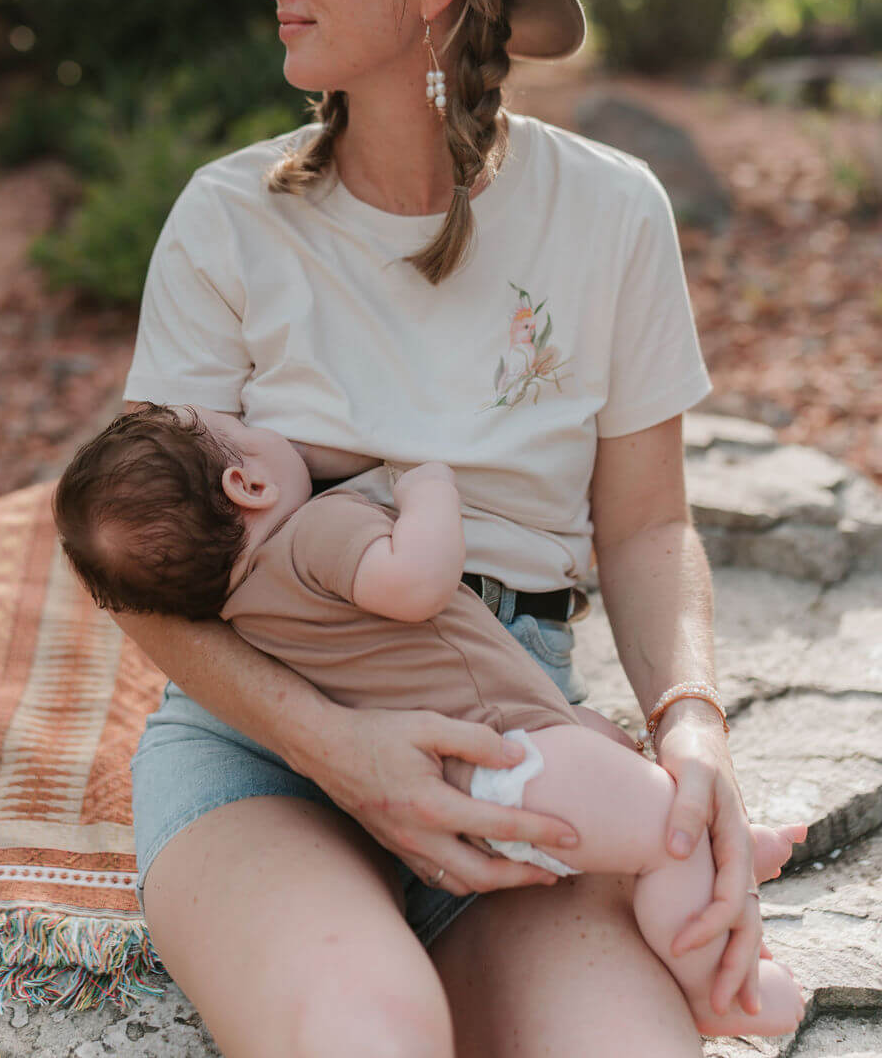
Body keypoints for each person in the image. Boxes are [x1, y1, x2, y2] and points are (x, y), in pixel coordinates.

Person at [115, 0, 773, 1057]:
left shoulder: (611, 213)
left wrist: (690, 732)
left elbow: (647, 523)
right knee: (369, 1031)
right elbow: (141, 567)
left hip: (518, 732)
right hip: (269, 742)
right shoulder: (226, 219)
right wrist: (346, 754)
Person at [55, 402, 806, 1039]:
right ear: (248, 481)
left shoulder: (243, 609)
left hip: (474, 767)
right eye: (247, 425)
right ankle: (722, 984)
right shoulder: (320, 532)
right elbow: (415, 581)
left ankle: (720, 859)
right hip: (504, 754)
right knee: (661, 828)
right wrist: (428, 486)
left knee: (617, 765)